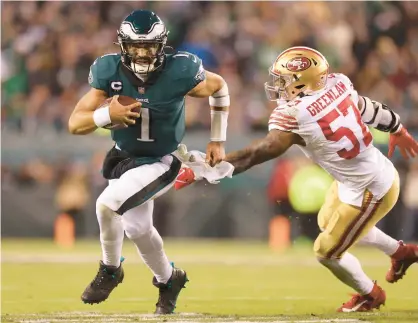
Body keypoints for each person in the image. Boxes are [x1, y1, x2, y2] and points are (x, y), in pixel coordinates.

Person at [176, 46, 418, 312]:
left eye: (284, 80)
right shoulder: (338, 84)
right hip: (361, 175)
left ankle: (370, 295)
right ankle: (400, 252)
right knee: (328, 222)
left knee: (327, 251)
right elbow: (367, 108)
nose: (278, 85)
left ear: (303, 81)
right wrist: (397, 127)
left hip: (373, 188)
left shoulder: (296, 114)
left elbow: (258, 153)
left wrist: (205, 170)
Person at [68, 10, 230, 314]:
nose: (142, 54)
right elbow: (75, 123)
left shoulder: (181, 70)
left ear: (162, 45)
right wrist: (107, 116)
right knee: (139, 230)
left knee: (107, 204)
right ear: (123, 46)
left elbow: (219, 86)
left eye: (149, 46)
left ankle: (110, 269)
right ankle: (170, 279)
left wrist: (217, 139)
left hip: (161, 159)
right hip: (124, 158)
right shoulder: (108, 71)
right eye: (136, 46)